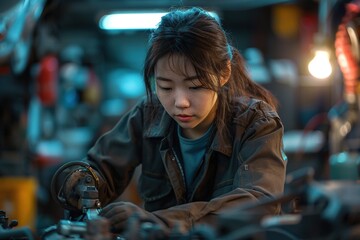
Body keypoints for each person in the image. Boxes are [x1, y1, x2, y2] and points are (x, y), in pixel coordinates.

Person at [53, 6, 287, 235]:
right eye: (165, 86)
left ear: (223, 73)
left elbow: (259, 202)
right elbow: (100, 168)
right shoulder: (149, 115)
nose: (180, 102)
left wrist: (160, 221)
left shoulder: (256, 124)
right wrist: (79, 181)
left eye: (195, 86)